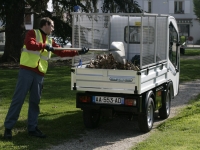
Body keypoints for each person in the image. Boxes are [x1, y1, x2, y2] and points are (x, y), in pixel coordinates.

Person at [3, 17, 89, 139]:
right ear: (46, 24)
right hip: (26, 71)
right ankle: (8, 128)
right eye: (52, 26)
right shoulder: (32, 33)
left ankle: (32, 128)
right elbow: (30, 44)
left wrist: (78, 52)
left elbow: (62, 52)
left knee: (35, 102)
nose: (53, 29)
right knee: (18, 99)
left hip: (39, 74)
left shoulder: (50, 40)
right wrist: (44, 46)